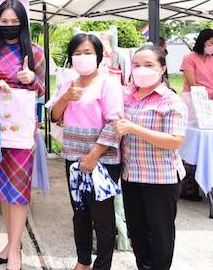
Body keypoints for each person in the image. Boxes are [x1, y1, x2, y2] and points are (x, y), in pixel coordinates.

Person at [0, 0, 45, 270]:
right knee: (3, 188)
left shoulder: (35, 52)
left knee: (19, 188)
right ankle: (10, 244)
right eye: (4, 21)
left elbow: (43, 90)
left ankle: (16, 249)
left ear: (23, 23)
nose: (9, 26)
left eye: (14, 21)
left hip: (22, 131)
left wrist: (32, 80)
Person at [51, 33, 124, 270]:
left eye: (88, 52)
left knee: (102, 217)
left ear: (98, 56)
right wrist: (66, 97)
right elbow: (55, 116)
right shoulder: (69, 83)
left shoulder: (108, 83)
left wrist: (94, 155)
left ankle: (102, 265)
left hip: (102, 160)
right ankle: (83, 261)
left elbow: (114, 123)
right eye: (77, 53)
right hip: (73, 158)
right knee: (80, 212)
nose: (82, 57)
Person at [112, 45, 187, 270]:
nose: (141, 69)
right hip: (131, 176)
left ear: (162, 68)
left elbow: (175, 140)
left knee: (160, 234)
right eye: (136, 65)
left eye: (148, 65)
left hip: (161, 178)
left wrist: (133, 128)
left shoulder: (170, 100)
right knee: (137, 231)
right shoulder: (126, 96)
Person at [181, 28, 213, 99]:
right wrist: (208, 94)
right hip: (194, 98)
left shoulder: (212, 58)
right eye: (212, 43)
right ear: (203, 42)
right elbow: (192, 84)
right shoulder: (189, 59)